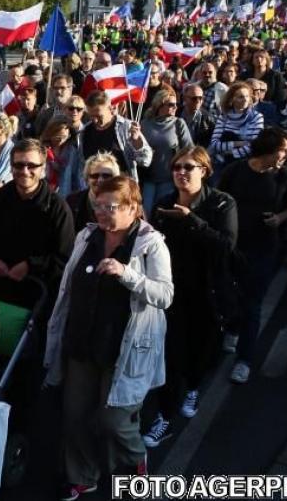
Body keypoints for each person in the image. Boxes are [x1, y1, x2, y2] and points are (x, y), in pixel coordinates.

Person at [45, 176, 173, 501]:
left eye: (110, 207)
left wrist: (127, 274)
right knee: (75, 416)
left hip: (124, 348)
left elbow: (164, 294)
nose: (101, 212)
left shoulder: (151, 243)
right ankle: (82, 476)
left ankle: (135, 458)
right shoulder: (87, 235)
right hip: (82, 341)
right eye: (97, 204)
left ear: (132, 208)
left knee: (113, 420)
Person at [144, 147, 238, 448]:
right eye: (177, 168)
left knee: (200, 351)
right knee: (171, 354)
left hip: (207, 293)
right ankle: (165, 416)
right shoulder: (163, 203)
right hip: (171, 295)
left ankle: (194, 386)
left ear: (204, 171)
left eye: (189, 167)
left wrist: (191, 220)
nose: (181, 173)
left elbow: (226, 246)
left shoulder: (222, 203)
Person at [216, 128, 287, 384]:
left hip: (265, 248)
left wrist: (281, 217)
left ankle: (244, 360)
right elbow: (219, 199)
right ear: (268, 149)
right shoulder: (236, 171)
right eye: (283, 150)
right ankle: (232, 329)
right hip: (233, 246)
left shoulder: (285, 177)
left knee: (253, 303)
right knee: (229, 294)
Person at [0, 139, 76, 304]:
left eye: (32, 166)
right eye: (19, 165)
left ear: (43, 169)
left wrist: (30, 266)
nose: (24, 171)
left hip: (36, 295)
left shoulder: (58, 208)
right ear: (11, 166)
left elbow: (64, 256)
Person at [71, 90, 153, 183]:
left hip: (121, 188)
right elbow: (82, 166)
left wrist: (137, 141)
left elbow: (145, 160)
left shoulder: (126, 127)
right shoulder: (85, 132)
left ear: (111, 108)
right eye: (91, 116)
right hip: (95, 190)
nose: (95, 120)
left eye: (99, 116)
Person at [139, 88, 194, 214]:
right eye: (171, 105)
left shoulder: (179, 123)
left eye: (176, 105)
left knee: (162, 212)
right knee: (146, 213)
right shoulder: (145, 124)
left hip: (169, 178)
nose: (175, 107)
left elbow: (189, 149)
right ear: (159, 105)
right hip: (148, 178)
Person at [210, 81, 265, 173]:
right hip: (222, 163)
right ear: (232, 99)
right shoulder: (224, 117)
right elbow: (215, 144)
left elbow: (254, 145)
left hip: (245, 164)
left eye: (247, 96)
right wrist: (238, 143)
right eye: (241, 97)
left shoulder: (257, 117)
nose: (245, 99)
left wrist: (231, 153)